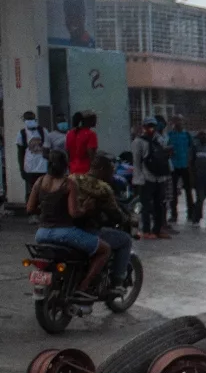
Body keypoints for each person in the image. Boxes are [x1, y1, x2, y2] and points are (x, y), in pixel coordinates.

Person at [27, 150, 110, 296]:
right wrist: (86, 207)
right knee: (105, 250)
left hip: (41, 234)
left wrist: (47, 211)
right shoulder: (68, 183)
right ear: (65, 165)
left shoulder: (39, 182)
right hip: (64, 233)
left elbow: (29, 208)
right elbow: (74, 213)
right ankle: (84, 286)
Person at [72, 153, 134, 292]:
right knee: (125, 240)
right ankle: (117, 283)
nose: (111, 176)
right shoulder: (102, 187)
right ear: (101, 169)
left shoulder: (72, 178)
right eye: (110, 171)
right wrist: (128, 220)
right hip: (88, 230)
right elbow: (115, 213)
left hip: (68, 227)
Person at [132, 119, 173, 240]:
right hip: (145, 178)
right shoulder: (138, 142)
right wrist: (139, 179)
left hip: (159, 178)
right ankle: (145, 230)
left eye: (153, 126)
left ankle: (157, 229)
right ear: (144, 127)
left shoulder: (159, 140)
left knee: (159, 205)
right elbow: (137, 162)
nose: (152, 129)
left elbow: (164, 156)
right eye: (149, 126)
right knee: (145, 205)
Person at [166, 115, 196, 225]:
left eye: (181, 121)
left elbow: (191, 149)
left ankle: (191, 213)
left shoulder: (186, 135)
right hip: (174, 166)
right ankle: (174, 214)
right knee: (173, 191)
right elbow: (166, 149)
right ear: (173, 122)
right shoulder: (170, 135)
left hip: (185, 165)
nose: (179, 123)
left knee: (188, 191)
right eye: (177, 121)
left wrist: (191, 164)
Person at [18, 111, 47, 202]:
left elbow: (48, 148)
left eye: (31, 119)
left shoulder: (43, 131)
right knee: (31, 193)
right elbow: (20, 152)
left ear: (35, 119)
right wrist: (22, 169)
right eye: (27, 119)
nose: (29, 121)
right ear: (24, 120)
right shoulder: (22, 133)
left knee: (44, 191)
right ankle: (31, 210)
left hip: (43, 168)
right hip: (29, 168)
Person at [66, 111, 99, 176]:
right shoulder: (91, 134)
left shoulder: (70, 134)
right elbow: (91, 155)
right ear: (87, 121)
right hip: (86, 170)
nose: (96, 121)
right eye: (94, 118)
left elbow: (68, 153)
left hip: (72, 169)